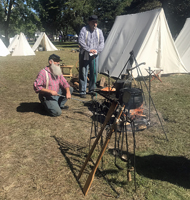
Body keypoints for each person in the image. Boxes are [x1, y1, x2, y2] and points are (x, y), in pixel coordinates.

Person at [78, 14, 104, 98]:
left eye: (96, 22)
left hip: (95, 55)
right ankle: (82, 91)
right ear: (89, 22)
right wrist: (89, 49)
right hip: (85, 54)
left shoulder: (99, 31)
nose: (95, 24)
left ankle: (92, 90)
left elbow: (102, 42)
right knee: (83, 72)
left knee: (94, 72)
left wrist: (96, 50)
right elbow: (80, 41)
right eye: (93, 22)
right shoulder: (84, 29)